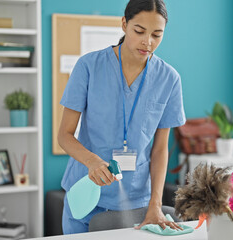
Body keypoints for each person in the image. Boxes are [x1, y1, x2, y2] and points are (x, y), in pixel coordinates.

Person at [58, 0, 186, 234]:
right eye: (139, 31)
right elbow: (64, 136)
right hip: (85, 194)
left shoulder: (169, 79)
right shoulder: (89, 66)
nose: (148, 42)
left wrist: (155, 205)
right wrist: (92, 161)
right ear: (124, 24)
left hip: (135, 202)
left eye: (157, 35)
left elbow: (159, 150)